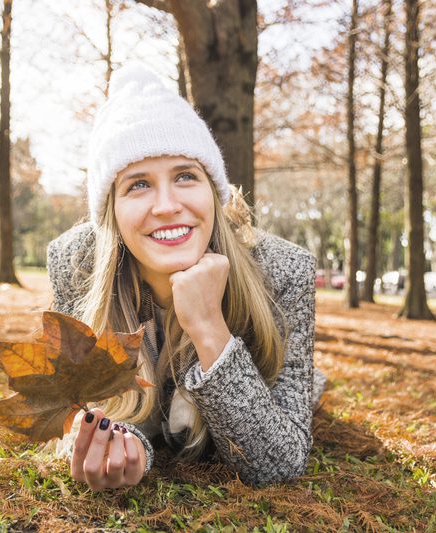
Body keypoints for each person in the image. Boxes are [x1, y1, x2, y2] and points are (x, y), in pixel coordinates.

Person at [46, 63, 327, 490]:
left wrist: (210, 329)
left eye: (185, 176)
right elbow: (78, 412)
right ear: (111, 212)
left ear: (213, 191)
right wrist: (125, 444)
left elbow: (281, 463)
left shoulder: (283, 270)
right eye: (138, 185)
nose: (167, 205)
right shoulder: (74, 263)